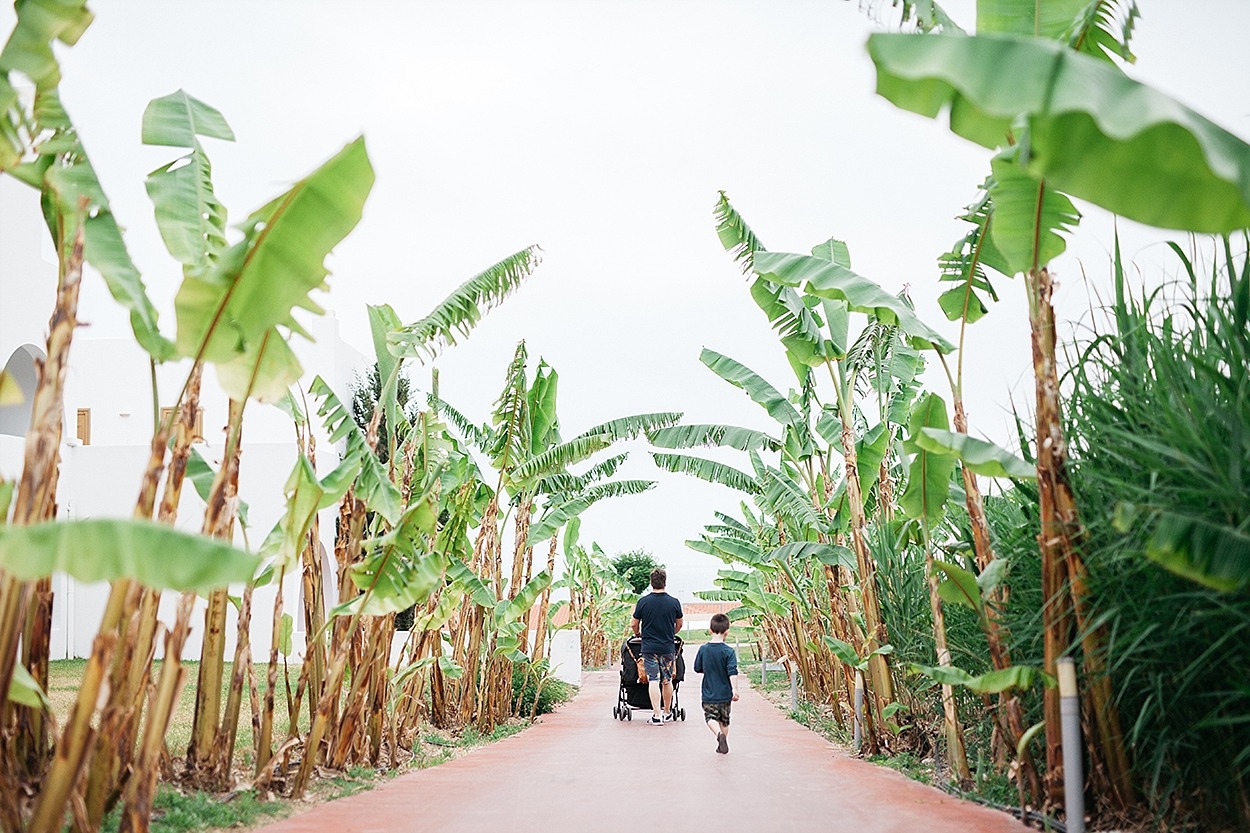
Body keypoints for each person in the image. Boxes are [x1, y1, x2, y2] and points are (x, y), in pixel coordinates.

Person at [631, 567, 683, 725]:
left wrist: (638, 633)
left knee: (653, 679)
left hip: (649, 648)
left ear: (651, 582)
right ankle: (667, 712)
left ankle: (657, 715)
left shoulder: (643, 602)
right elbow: (679, 624)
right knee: (667, 680)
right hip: (667, 647)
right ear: (665, 581)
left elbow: (634, 623)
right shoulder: (674, 602)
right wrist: (671, 633)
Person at [693, 612, 739, 754]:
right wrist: (735, 689)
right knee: (725, 719)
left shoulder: (703, 649)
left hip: (709, 692)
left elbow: (697, 668)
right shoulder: (729, 651)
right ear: (727, 632)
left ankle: (719, 736)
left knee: (710, 717)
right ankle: (723, 740)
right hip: (725, 693)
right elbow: (732, 671)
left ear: (710, 630)